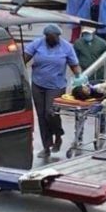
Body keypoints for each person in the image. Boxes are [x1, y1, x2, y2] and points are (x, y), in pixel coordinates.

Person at [24, 24, 84, 157]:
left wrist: (80, 78)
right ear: (46, 37)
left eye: (55, 37)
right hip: (38, 84)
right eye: (50, 37)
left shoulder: (66, 47)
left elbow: (74, 65)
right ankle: (46, 147)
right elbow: (24, 58)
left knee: (50, 113)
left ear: (58, 36)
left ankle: (58, 134)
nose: (53, 39)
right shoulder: (37, 44)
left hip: (56, 86)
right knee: (41, 116)